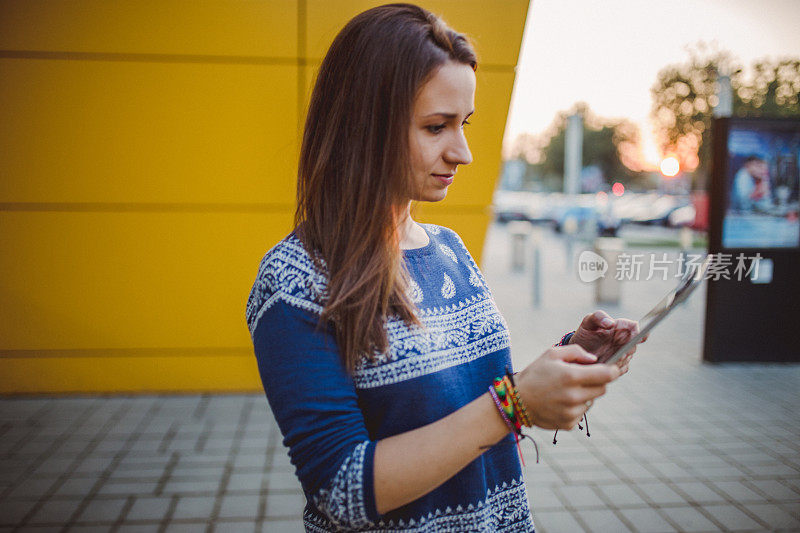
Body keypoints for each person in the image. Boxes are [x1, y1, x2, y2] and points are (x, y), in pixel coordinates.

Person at [246, 4, 642, 531]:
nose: (463, 152)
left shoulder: (450, 248)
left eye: (465, 123)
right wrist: (515, 402)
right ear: (363, 127)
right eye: (437, 126)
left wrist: (564, 365)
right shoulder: (294, 280)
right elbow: (340, 488)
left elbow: (469, 405)